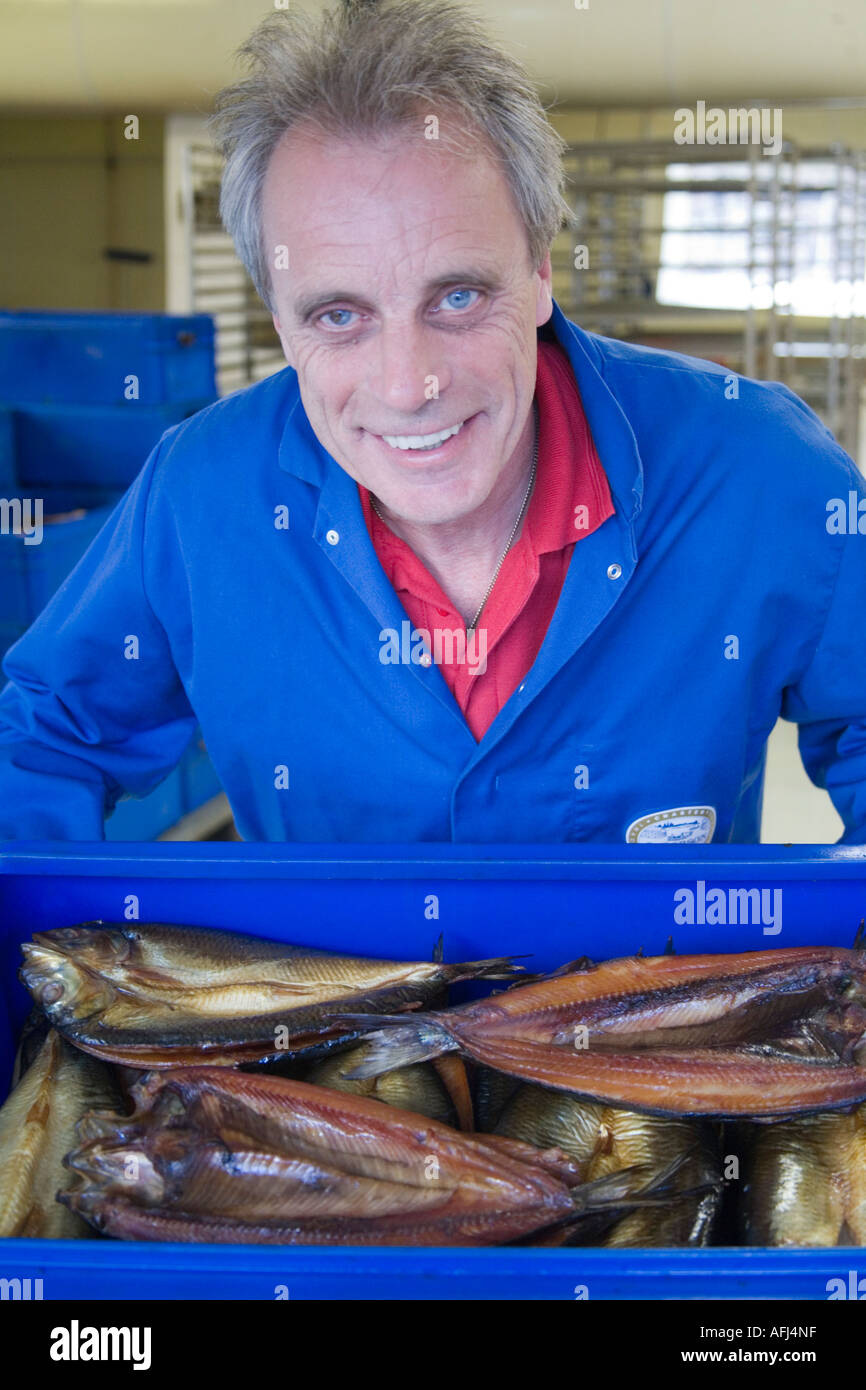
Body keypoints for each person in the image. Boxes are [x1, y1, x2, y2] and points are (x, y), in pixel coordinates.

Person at [1, 0, 865, 845]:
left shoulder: (759, 472)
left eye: (457, 296)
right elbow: (46, 740)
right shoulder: (200, 498)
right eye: (339, 315)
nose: (409, 385)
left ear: (537, 271)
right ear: (280, 321)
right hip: (334, 996)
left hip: (657, 995)